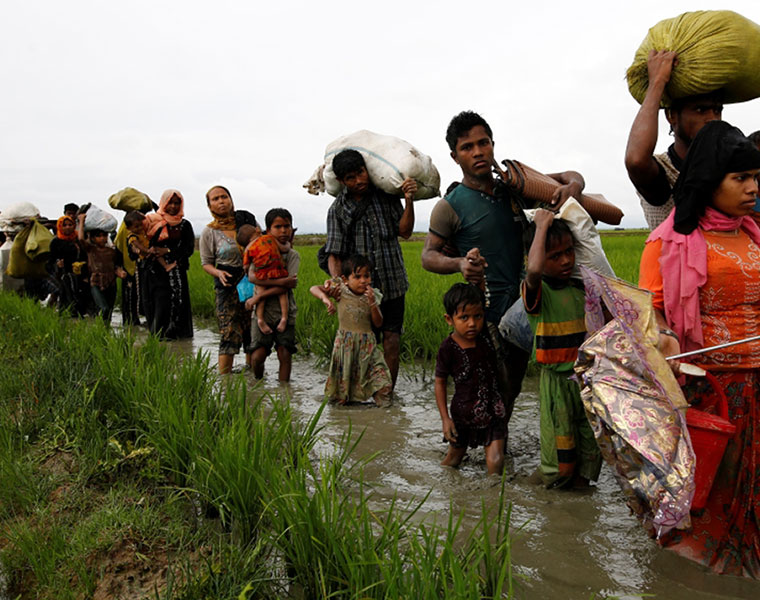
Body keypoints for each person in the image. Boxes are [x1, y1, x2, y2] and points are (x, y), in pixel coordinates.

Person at [638, 120, 760, 577]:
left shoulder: (752, 233)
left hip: (759, 385)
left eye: (756, 177)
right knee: (711, 496)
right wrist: (665, 336)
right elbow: (648, 317)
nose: (752, 188)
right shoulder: (669, 243)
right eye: (741, 178)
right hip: (712, 394)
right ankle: (694, 574)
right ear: (710, 180)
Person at [422, 110, 585, 444]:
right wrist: (458, 265)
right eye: (468, 147)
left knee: (509, 388)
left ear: (493, 144)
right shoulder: (449, 206)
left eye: (484, 143)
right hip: (483, 315)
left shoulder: (515, 189)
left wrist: (573, 187)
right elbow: (428, 255)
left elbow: (571, 176)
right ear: (455, 156)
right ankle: (470, 453)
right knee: (482, 390)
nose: (478, 151)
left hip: (523, 308)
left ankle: (494, 454)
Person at [324, 150, 417, 391]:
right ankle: (358, 392)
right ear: (343, 181)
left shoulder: (386, 197)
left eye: (361, 173)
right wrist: (338, 285)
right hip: (359, 292)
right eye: (351, 178)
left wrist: (408, 200)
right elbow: (334, 253)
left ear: (367, 170)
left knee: (392, 340)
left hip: (393, 282)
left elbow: (405, 231)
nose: (359, 181)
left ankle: (387, 395)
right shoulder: (337, 210)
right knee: (360, 343)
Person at [522, 210, 601, 489]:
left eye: (569, 252)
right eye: (554, 256)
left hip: (586, 381)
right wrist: (541, 225)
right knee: (560, 453)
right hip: (556, 383)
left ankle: (578, 503)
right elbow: (533, 270)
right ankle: (550, 493)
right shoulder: (537, 291)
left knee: (589, 447)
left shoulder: (582, 289)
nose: (566, 260)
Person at [625, 50, 723, 230]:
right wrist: (657, 82)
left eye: (717, 110)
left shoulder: (728, 166)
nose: (712, 119)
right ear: (671, 116)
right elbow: (636, 161)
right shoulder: (665, 170)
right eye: (701, 110)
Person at [434, 283, 507, 475]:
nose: (472, 323)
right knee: (454, 459)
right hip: (463, 415)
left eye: (478, 316)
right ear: (449, 319)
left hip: (493, 411)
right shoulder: (448, 348)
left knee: (496, 462)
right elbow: (440, 382)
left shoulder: (487, 337)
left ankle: (495, 498)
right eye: (464, 318)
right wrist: (445, 419)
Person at [310, 254, 392, 406]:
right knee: (341, 392)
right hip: (345, 346)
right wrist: (326, 299)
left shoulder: (373, 295)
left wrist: (373, 303)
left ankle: (385, 414)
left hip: (367, 346)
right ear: (345, 279)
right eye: (357, 276)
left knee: (383, 384)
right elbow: (313, 288)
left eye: (366, 276)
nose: (363, 281)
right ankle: (343, 417)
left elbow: (378, 323)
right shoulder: (341, 290)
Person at [200, 185, 259, 374]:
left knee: (251, 328)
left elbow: (261, 244)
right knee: (228, 331)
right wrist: (218, 273)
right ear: (209, 205)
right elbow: (206, 262)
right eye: (215, 199)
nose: (221, 201)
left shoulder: (246, 223)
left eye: (224, 197)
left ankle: (252, 377)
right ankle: (225, 381)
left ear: (231, 199)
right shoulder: (209, 232)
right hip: (226, 285)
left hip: (250, 281)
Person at [248, 208, 299, 382]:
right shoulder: (260, 251)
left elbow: (288, 285)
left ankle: (284, 393)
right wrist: (280, 282)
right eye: (278, 227)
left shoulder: (292, 255)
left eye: (287, 226)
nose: (284, 231)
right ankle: (258, 384)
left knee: (285, 353)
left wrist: (257, 296)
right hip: (262, 312)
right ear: (268, 230)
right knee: (257, 356)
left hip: (285, 311)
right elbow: (252, 277)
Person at [142, 190, 194, 340]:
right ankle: (157, 336)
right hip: (155, 273)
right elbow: (143, 240)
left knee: (178, 302)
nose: (173, 206)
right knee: (159, 303)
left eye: (177, 203)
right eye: (170, 202)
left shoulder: (184, 225)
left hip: (177, 271)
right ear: (163, 203)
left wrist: (167, 250)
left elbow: (188, 249)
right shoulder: (152, 222)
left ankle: (178, 336)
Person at [76, 213, 126, 323]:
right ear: (93, 238)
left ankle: (105, 332)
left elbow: (115, 266)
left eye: (104, 236)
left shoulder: (112, 251)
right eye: (99, 236)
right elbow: (80, 239)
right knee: (104, 308)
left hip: (111, 283)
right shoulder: (91, 249)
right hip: (96, 282)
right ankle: (100, 328)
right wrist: (81, 221)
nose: (102, 238)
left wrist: (120, 272)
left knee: (110, 310)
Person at [243, 227, 290, 335]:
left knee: (261, 295)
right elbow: (284, 249)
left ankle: (260, 319)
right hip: (276, 270)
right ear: (257, 232)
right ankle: (284, 318)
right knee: (283, 293)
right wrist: (288, 244)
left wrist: (247, 271)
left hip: (262, 273)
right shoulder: (269, 238)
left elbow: (245, 265)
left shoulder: (248, 249)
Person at [114, 210, 149, 326]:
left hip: (141, 269)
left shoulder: (145, 233)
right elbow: (120, 248)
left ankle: (134, 322)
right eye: (136, 226)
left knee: (138, 296)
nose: (139, 228)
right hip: (130, 268)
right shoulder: (129, 234)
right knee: (130, 298)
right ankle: (131, 324)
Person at [48, 215, 88, 316]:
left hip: (79, 272)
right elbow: (51, 259)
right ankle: (66, 317)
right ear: (60, 226)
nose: (68, 227)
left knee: (80, 295)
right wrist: (57, 263)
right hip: (64, 273)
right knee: (66, 295)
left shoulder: (77, 239)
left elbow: (85, 255)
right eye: (64, 225)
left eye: (70, 224)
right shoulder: (56, 242)